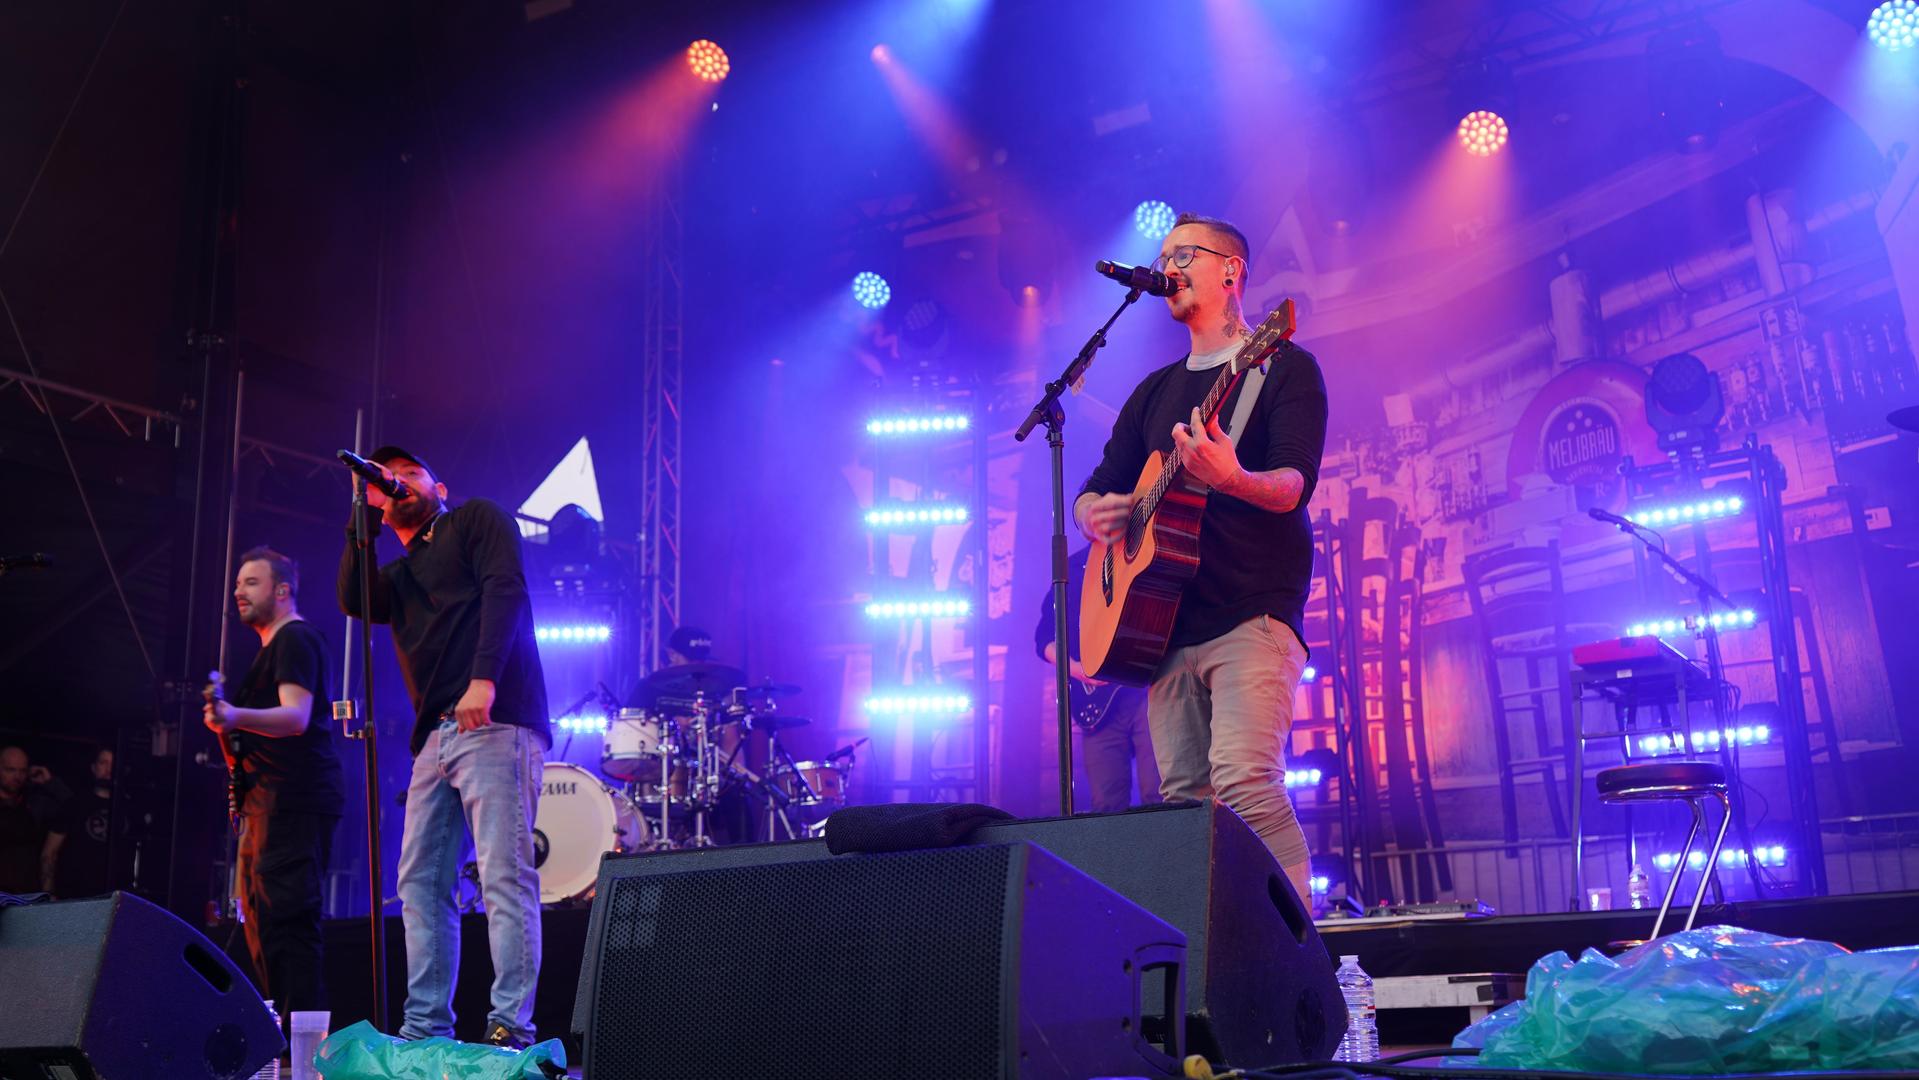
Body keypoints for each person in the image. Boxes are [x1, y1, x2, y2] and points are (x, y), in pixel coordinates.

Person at [1075, 211, 1328, 901]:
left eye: (1183, 252)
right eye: (1162, 256)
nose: (1169, 266)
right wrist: (1096, 513)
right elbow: (1097, 486)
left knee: (1244, 782)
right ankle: (1215, 964)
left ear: (1229, 270)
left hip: (1251, 609)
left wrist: (1231, 479)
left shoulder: (1280, 364)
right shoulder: (1152, 391)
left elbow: (1291, 486)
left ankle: (1300, 946)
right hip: (1162, 627)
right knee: (1185, 807)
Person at [338, 445, 549, 1048]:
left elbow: (506, 589)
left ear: (441, 485)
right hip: (434, 736)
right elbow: (354, 599)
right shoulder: (399, 576)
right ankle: (425, 1027)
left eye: (409, 473)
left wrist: (484, 676)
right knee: (420, 884)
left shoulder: (476, 520)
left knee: (502, 873)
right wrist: (361, 505)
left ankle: (512, 1024)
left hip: (496, 718)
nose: (397, 481)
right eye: (388, 479)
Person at [203, 547, 346, 1014]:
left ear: (281, 591)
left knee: (287, 923)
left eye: (251, 583)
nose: (238, 591)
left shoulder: (295, 639)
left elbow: (297, 717)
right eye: (238, 583)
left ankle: (300, 1050)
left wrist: (234, 714)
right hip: (267, 804)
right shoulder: (272, 648)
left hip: (293, 803)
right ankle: (284, 1040)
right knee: (263, 925)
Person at [1033, 553, 1158, 814]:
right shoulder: (1074, 567)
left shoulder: (1149, 548)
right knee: (1106, 804)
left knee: (1160, 795)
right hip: (1098, 703)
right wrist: (1077, 670)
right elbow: (1044, 638)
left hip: (1151, 689)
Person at [40, 746, 117, 898]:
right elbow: (49, 853)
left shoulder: (128, 809)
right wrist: (48, 895)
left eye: (113, 764)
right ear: (94, 767)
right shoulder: (74, 805)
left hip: (115, 898)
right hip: (75, 896)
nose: (109, 769)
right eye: (103, 762)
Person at [0, 745, 68, 893]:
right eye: (10, 770)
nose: (17, 776)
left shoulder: (34, 804)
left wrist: (50, 782)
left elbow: (71, 809)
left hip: (26, 895)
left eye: (22, 771)